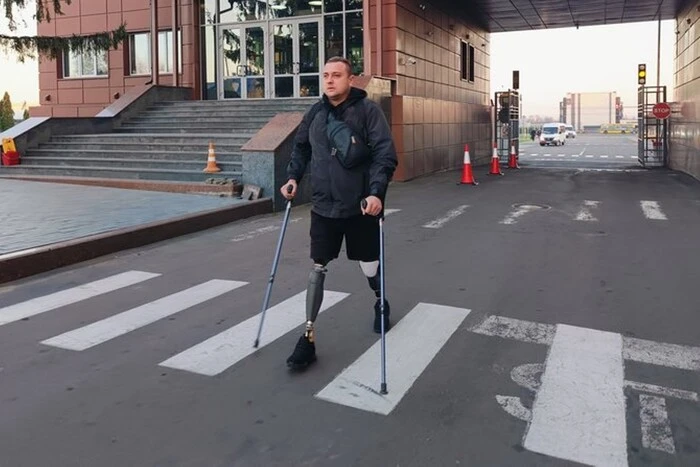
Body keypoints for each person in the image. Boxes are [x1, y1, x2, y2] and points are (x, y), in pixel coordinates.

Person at [280, 56, 398, 370]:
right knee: (318, 266)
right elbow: (301, 148)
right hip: (323, 206)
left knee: (368, 264)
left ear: (350, 80)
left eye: (336, 75)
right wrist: (293, 177)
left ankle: (380, 302)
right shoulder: (315, 113)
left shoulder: (368, 111)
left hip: (360, 206)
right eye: (326, 75)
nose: (329, 80)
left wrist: (376, 193)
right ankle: (307, 336)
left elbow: (384, 154)